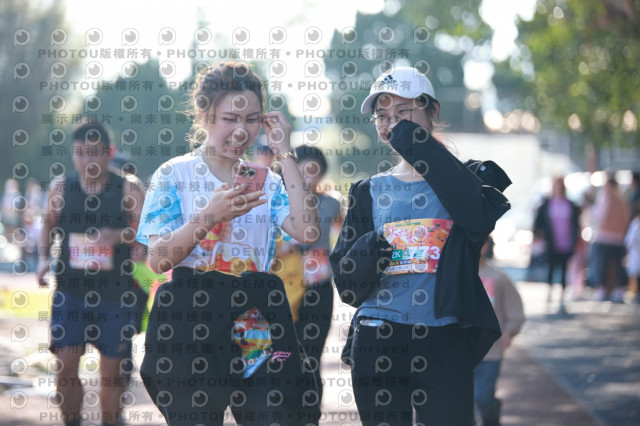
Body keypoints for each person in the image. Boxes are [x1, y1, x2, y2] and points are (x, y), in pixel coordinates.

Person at [136, 62, 321, 426]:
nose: (241, 130)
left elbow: (308, 231)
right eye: (230, 118)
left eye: (252, 119)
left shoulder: (268, 182)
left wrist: (285, 153)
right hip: (192, 317)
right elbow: (158, 260)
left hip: (254, 318)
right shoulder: (174, 174)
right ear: (204, 115)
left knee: (273, 415)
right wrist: (209, 216)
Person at [330, 66, 512, 425]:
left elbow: (476, 219)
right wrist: (370, 250)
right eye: (383, 116)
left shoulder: (469, 179)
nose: (391, 124)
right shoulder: (367, 191)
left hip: (443, 338)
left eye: (403, 112)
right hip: (378, 336)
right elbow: (346, 283)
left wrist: (414, 142)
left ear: (432, 111)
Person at [36, 120, 146, 426]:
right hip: (70, 293)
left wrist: (118, 236)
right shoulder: (62, 187)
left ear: (109, 152)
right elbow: (47, 225)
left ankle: (112, 420)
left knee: (112, 373)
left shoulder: (128, 187)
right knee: (65, 367)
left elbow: (146, 233)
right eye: (80, 153)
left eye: (94, 152)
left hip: (115, 295)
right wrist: (43, 259)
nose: (87, 160)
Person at [293, 145, 342, 403]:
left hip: (319, 286)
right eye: (303, 171)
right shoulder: (276, 202)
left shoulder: (331, 204)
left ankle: (310, 414)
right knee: (285, 355)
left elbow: (346, 239)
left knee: (312, 356)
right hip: (284, 286)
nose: (308, 178)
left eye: (315, 172)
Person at [475, 237, 525, 426]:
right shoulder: (454, 275)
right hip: (459, 350)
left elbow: (515, 311)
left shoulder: (499, 277)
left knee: (483, 397)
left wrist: (509, 331)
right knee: (463, 402)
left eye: (480, 241)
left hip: (491, 351)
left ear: (486, 245)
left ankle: (492, 416)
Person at [533, 177, 581, 313]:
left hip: (566, 243)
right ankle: (549, 293)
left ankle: (562, 296)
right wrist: (537, 237)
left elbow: (576, 223)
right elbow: (538, 223)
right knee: (551, 267)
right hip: (551, 243)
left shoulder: (570, 205)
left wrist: (575, 239)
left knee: (564, 270)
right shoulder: (546, 204)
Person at [591, 175, 631, 302]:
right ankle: (619, 290)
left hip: (605, 236)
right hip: (619, 237)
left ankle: (602, 289)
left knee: (602, 264)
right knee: (618, 265)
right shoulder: (623, 200)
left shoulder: (606, 198)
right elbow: (626, 219)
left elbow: (599, 215)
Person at [625, 208, 640, 303]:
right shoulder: (635, 224)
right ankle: (636, 293)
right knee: (635, 275)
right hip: (636, 254)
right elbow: (629, 240)